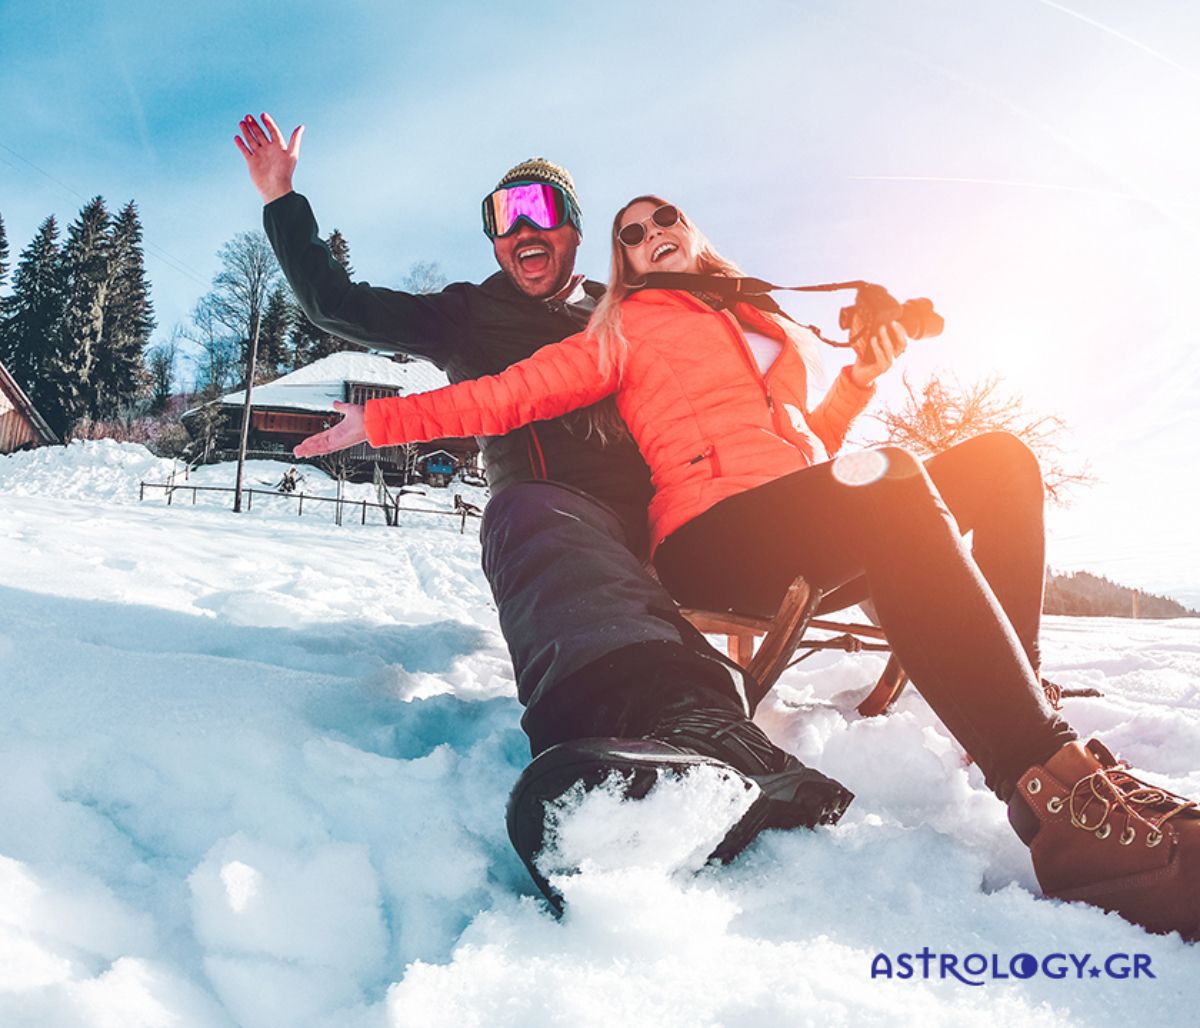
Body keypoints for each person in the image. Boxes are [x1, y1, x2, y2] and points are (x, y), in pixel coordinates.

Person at [295, 194, 1200, 939]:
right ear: (622, 262)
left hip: (795, 525)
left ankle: (1016, 693)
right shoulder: (622, 326)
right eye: (631, 234)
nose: (651, 234)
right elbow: (507, 395)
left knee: (1000, 459)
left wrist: (859, 378)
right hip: (710, 541)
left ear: (694, 233)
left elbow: (811, 448)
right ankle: (1054, 791)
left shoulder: (764, 321)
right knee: (888, 475)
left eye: (664, 220)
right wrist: (382, 420)